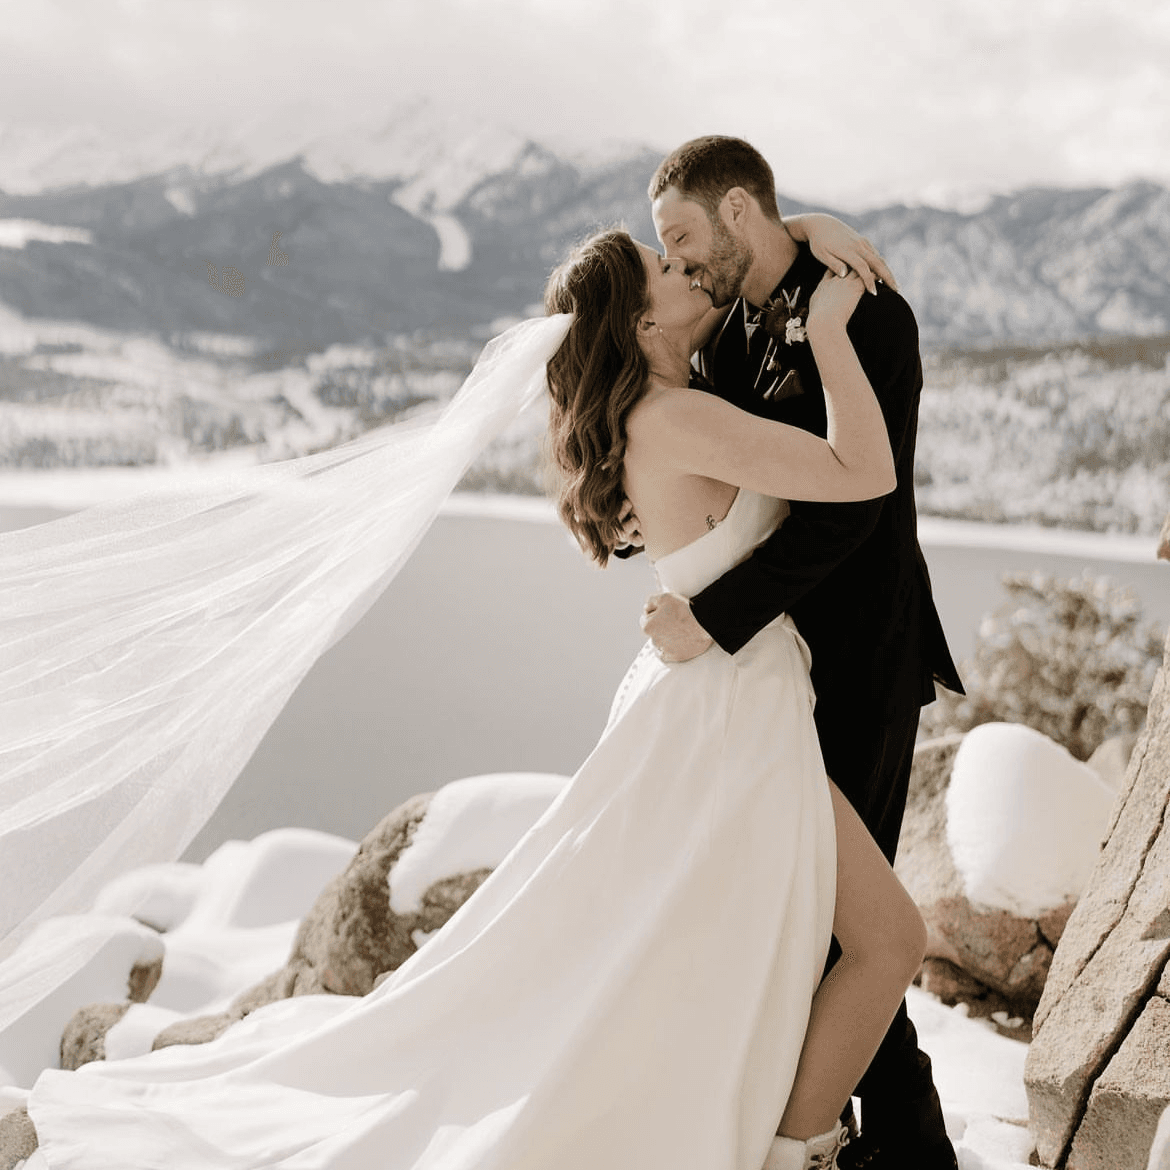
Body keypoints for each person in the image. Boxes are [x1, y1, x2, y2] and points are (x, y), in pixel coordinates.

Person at [17, 220, 923, 1170]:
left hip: (723, 706)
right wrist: (829, 330)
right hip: (731, 717)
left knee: (714, 955)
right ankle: (792, 1153)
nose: (687, 268)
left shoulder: (668, 405)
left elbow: (742, 255)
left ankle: (773, 1143)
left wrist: (794, 230)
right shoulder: (675, 419)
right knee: (875, 940)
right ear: (642, 321)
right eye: (666, 265)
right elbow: (863, 471)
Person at [627, 136, 965, 1170]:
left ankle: (905, 1147)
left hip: (861, 662)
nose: (677, 265)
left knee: (848, 925)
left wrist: (711, 616)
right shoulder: (729, 333)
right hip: (771, 678)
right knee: (800, 916)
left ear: (738, 211)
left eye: (683, 239)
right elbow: (729, 474)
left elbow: (849, 516)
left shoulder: (871, 316)